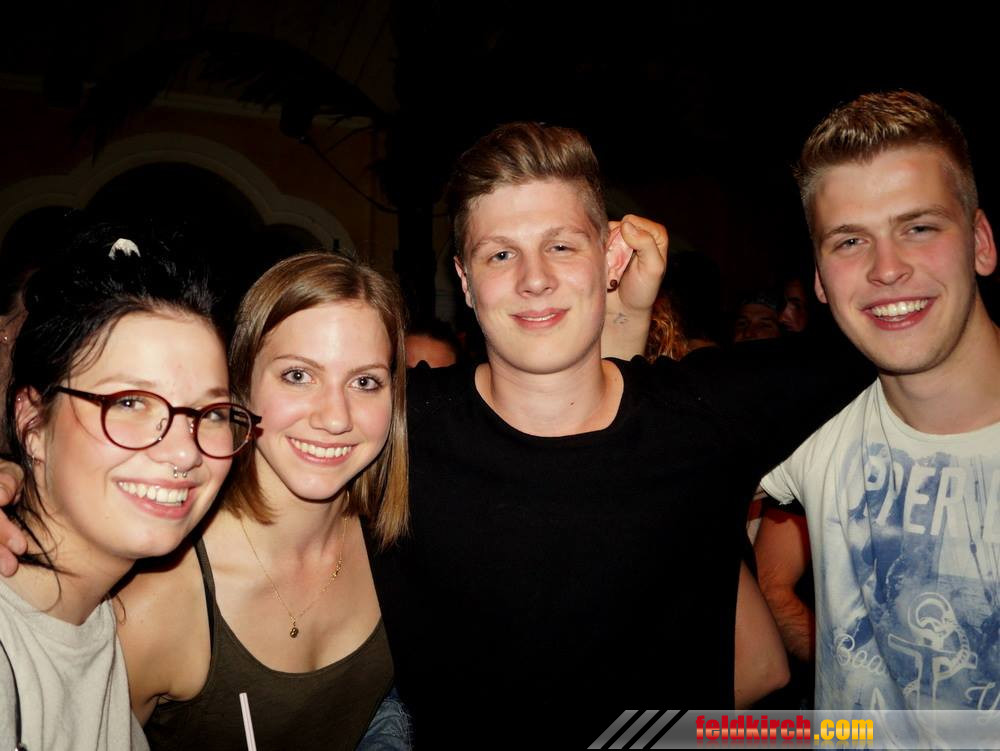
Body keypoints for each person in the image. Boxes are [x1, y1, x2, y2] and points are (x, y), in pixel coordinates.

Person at [373, 122, 871, 745]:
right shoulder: (392, 424)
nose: (533, 278)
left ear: (611, 258)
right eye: (500, 254)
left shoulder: (706, 416)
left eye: (561, 246)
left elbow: (892, 335)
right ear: (465, 280)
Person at [759, 91, 1000, 715]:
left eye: (918, 228)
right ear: (819, 278)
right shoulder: (810, 428)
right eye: (849, 241)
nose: (886, 269)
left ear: (980, 241)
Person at [116, 252, 409, 750]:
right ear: (242, 385)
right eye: (298, 375)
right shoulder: (158, 601)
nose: (335, 417)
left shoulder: (403, 546)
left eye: (365, 382)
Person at [0, 228, 256, 749]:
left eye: (210, 412)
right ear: (32, 422)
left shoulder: (98, 627)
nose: (184, 453)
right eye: (130, 402)